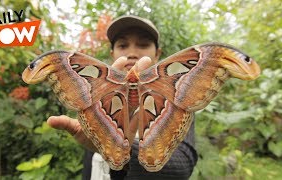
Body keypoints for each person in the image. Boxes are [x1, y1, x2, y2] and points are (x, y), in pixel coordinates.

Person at [47, 15, 197, 180]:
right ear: (113, 54)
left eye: (143, 44)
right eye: (123, 45)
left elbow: (183, 166)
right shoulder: (99, 95)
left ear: (157, 54)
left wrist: (124, 149)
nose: (132, 53)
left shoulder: (175, 100)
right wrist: (104, 142)